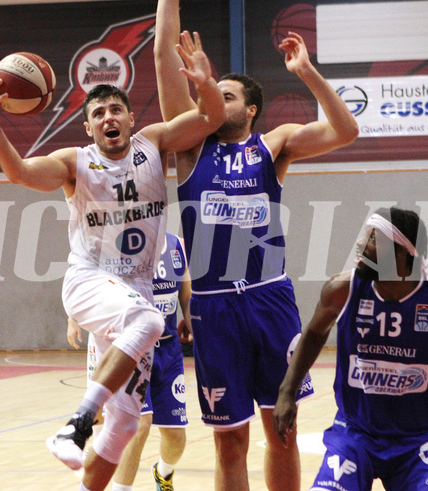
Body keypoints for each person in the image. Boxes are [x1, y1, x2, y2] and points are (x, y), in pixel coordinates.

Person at [0, 30, 225, 491]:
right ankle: (75, 423)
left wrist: (205, 81)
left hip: (138, 290)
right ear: (89, 128)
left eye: (115, 109)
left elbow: (211, 116)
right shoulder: (75, 162)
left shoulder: (154, 144)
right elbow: (20, 173)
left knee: (126, 423)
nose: (108, 117)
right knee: (151, 321)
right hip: (92, 281)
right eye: (98, 113)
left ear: (131, 119)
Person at [154, 1, 359, 490]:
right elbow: (164, 53)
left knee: (282, 430)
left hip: (270, 298)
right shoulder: (189, 145)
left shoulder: (272, 144)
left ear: (249, 110)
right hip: (214, 307)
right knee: (229, 442)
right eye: (212, 92)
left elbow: (346, 131)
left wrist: (307, 73)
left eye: (226, 95)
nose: (214, 99)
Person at [273, 207, 428, 491]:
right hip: (354, 434)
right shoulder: (342, 289)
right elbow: (314, 332)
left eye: (373, 239)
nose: (360, 245)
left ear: (401, 254)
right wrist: (287, 391)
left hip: (419, 440)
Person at [70, 232, 191, 491]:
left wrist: (195, 326)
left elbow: (187, 296)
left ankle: (163, 472)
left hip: (168, 350)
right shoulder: (116, 244)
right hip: (131, 347)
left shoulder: (177, 245)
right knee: (138, 425)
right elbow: (89, 281)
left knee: (176, 438)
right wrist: (73, 317)